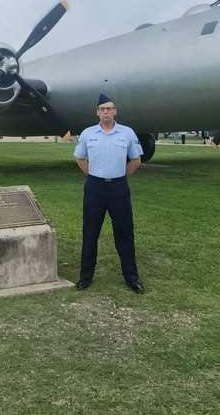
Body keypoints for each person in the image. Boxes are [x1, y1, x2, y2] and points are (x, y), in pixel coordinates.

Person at [73, 94, 144, 294]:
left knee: (125, 233)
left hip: (119, 188)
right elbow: (79, 158)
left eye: (109, 108)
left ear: (115, 111)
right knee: (90, 233)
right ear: (97, 112)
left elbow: (136, 160)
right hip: (94, 188)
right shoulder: (88, 133)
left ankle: (132, 278)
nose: (106, 112)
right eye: (102, 109)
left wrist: (120, 177)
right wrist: (93, 175)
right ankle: (85, 277)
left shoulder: (127, 133)